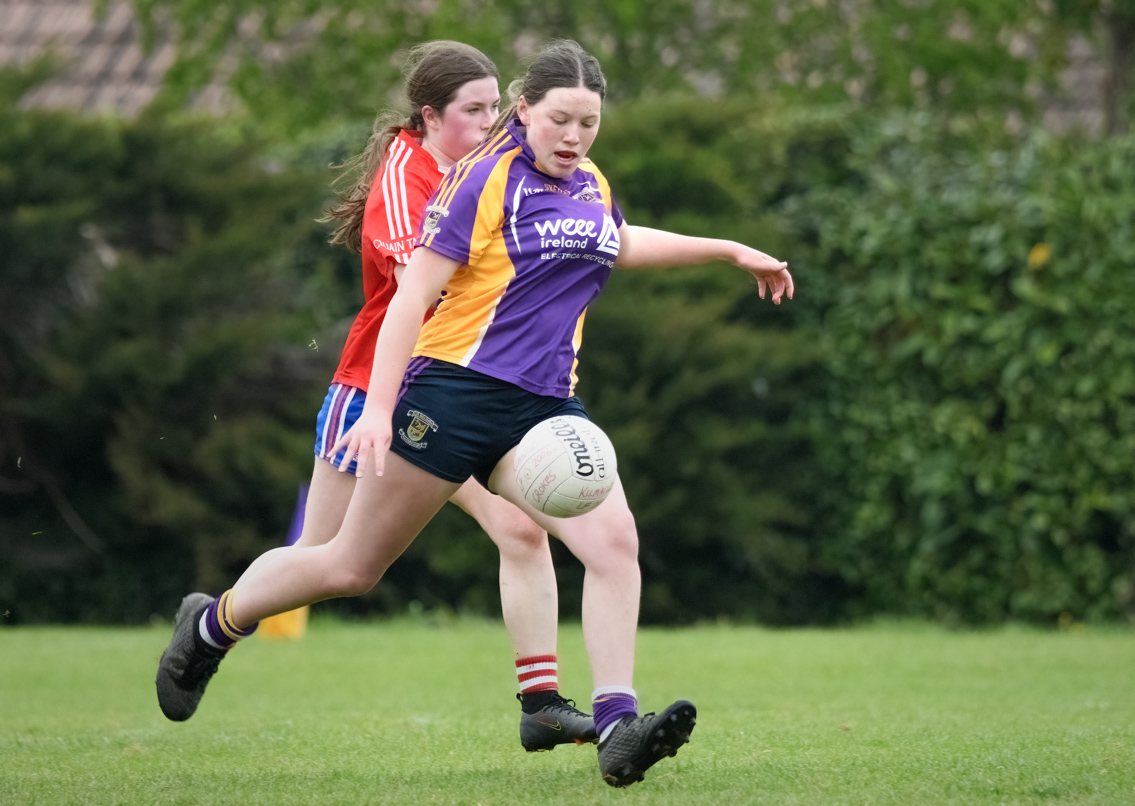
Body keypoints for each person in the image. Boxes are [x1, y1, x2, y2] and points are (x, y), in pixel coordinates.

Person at [156, 39, 792, 788]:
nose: (574, 137)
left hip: (546, 406)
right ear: (525, 111)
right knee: (349, 567)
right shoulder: (480, 182)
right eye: (559, 119)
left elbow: (615, 241)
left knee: (614, 544)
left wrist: (727, 250)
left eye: (588, 123)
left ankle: (618, 725)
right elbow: (408, 301)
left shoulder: (587, 181)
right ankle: (212, 623)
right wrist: (379, 410)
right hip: (452, 395)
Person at [154, 41, 595, 753]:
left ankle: (540, 702)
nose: (488, 125)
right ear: (428, 116)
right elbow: (419, 276)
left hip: (458, 392)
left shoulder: (489, 173)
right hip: (375, 392)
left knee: (519, 528)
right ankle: (211, 625)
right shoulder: (407, 173)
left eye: (494, 109)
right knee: (336, 564)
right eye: (472, 112)